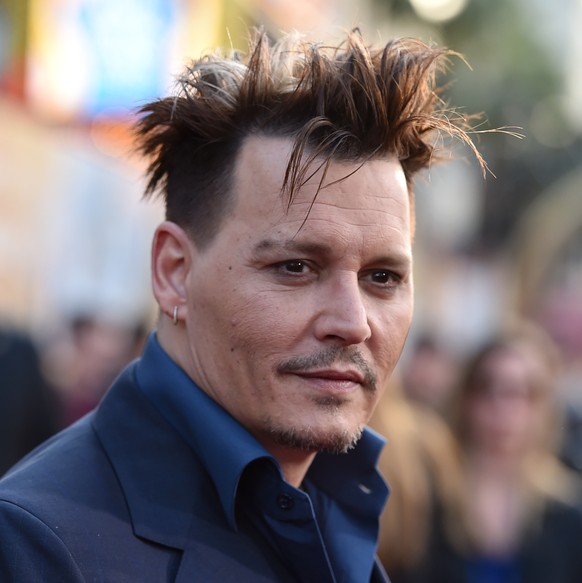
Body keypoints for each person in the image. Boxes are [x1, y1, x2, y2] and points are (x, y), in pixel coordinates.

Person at [0, 29, 483, 582]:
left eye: (383, 276)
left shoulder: (336, 506)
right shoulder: (35, 547)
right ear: (174, 272)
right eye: (295, 268)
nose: (352, 323)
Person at [417, 322, 582, 583]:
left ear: (544, 407)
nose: (503, 408)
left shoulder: (569, 513)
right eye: (488, 388)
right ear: (466, 398)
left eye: (522, 392)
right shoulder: (427, 498)